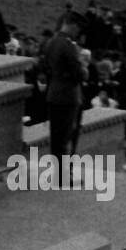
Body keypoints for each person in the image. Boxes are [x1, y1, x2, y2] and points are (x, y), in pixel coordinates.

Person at [41, 11, 87, 184]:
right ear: (71, 24)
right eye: (77, 28)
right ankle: (64, 177)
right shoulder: (68, 45)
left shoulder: (51, 42)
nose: (78, 32)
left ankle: (58, 174)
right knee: (67, 136)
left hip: (54, 93)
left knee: (56, 136)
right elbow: (79, 73)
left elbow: (46, 66)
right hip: (68, 96)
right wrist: (85, 70)